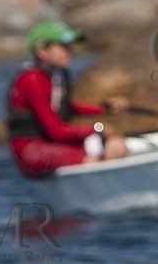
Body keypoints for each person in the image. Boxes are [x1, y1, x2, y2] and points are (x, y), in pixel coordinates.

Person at [7, 20, 130, 179]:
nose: (69, 52)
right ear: (42, 51)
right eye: (63, 47)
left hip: (52, 144)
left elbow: (65, 107)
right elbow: (56, 131)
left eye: (70, 47)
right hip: (32, 150)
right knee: (90, 161)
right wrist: (98, 127)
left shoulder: (55, 75)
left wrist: (104, 108)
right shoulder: (32, 80)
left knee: (116, 146)